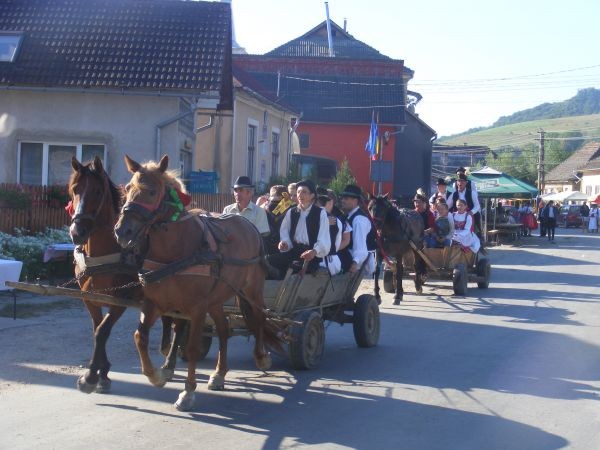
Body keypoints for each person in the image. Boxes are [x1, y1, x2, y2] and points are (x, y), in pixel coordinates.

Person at [266, 179, 330, 279]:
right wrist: (285, 244)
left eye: (304, 192)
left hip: (311, 257)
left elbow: (324, 238)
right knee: (267, 260)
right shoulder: (292, 212)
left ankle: (281, 280)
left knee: (293, 266)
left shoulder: (320, 213)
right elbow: (285, 232)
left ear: (312, 195)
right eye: (298, 192)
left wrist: (314, 251)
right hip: (294, 252)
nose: (300, 195)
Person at [340, 184, 377, 275]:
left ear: (355, 201)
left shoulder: (359, 220)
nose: (342, 201)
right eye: (342, 198)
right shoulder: (350, 216)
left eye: (346, 198)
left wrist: (355, 262)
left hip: (356, 261)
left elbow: (360, 246)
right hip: (350, 257)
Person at [316, 188, 352, 275]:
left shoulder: (339, 217)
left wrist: (330, 250)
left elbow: (346, 240)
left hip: (332, 257)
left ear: (331, 202)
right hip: (321, 256)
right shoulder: (316, 215)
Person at [425, 201, 454, 268]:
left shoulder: (450, 218)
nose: (440, 211)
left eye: (442, 209)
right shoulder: (436, 217)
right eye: (439, 209)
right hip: (437, 237)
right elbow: (434, 229)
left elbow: (452, 231)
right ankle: (432, 262)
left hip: (446, 237)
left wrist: (445, 237)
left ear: (447, 210)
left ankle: (446, 263)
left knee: (447, 243)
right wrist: (436, 237)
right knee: (431, 243)